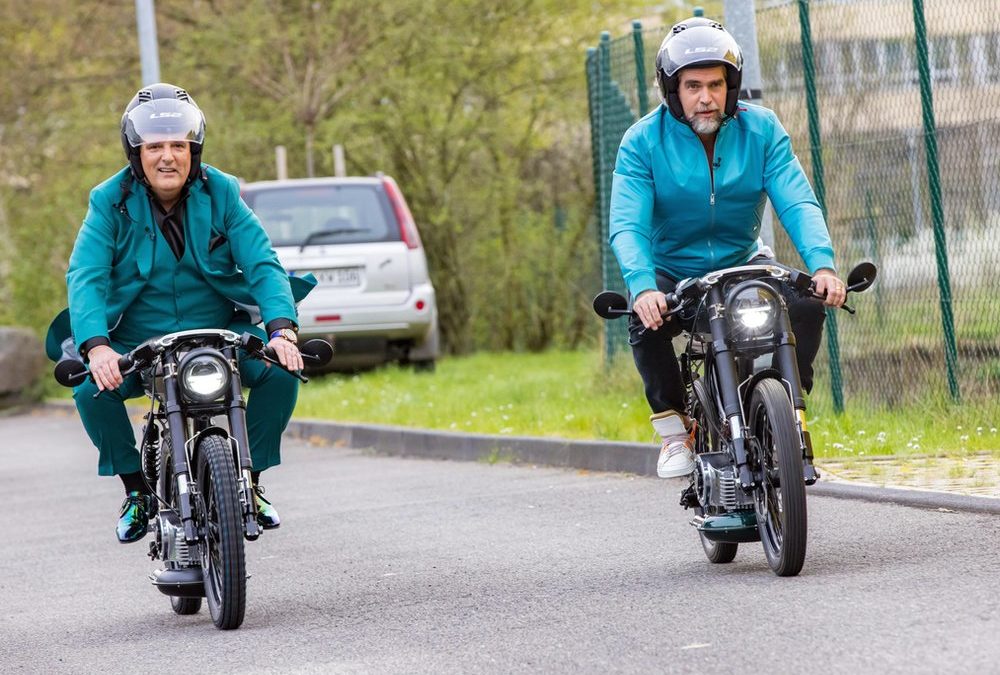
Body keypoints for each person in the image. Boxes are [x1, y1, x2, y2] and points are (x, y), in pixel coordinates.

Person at [45, 83, 314, 542]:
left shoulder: (223, 191)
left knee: (282, 374)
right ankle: (136, 492)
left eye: (177, 145)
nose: (167, 156)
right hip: (135, 337)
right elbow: (85, 275)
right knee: (92, 392)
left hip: (217, 331)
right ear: (137, 153)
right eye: (154, 147)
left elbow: (263, 262)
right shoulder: (107, 200)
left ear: (194, 149)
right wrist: (96, 347)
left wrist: (282, 331)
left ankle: (250, 482)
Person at [609, 18, 847, 479]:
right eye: (693, 85)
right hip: (672, 272)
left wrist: (823, 265)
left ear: (730, 86)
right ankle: (676, 430)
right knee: (644, 324)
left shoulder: (761, 130)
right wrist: (642, 287)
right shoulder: (641, 142)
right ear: (672, 90)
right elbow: (627, 225)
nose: (705, 97)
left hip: (745, 261)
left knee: (808, 306)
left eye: (715, 84)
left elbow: (796, 199)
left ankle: (783, 412)